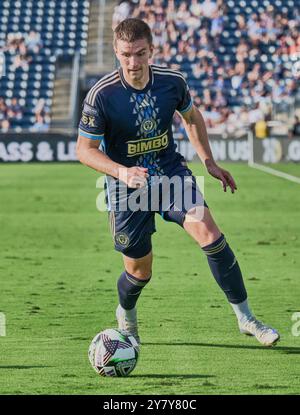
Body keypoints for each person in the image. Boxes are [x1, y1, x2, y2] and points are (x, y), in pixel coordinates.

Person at [76, 18, 279, 348]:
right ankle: (126, 315)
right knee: (140, 271)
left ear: (152, 50)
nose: (133, 62)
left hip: (170, 175)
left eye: (140, 54)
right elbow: (84, 151)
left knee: (210, 234)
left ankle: (246, 318)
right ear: (116, 51)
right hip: (128, 188)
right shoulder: (102, 95)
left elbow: (192, 116)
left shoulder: (172, 82)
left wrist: (208, 161)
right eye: (126, 54)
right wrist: (121, 172)